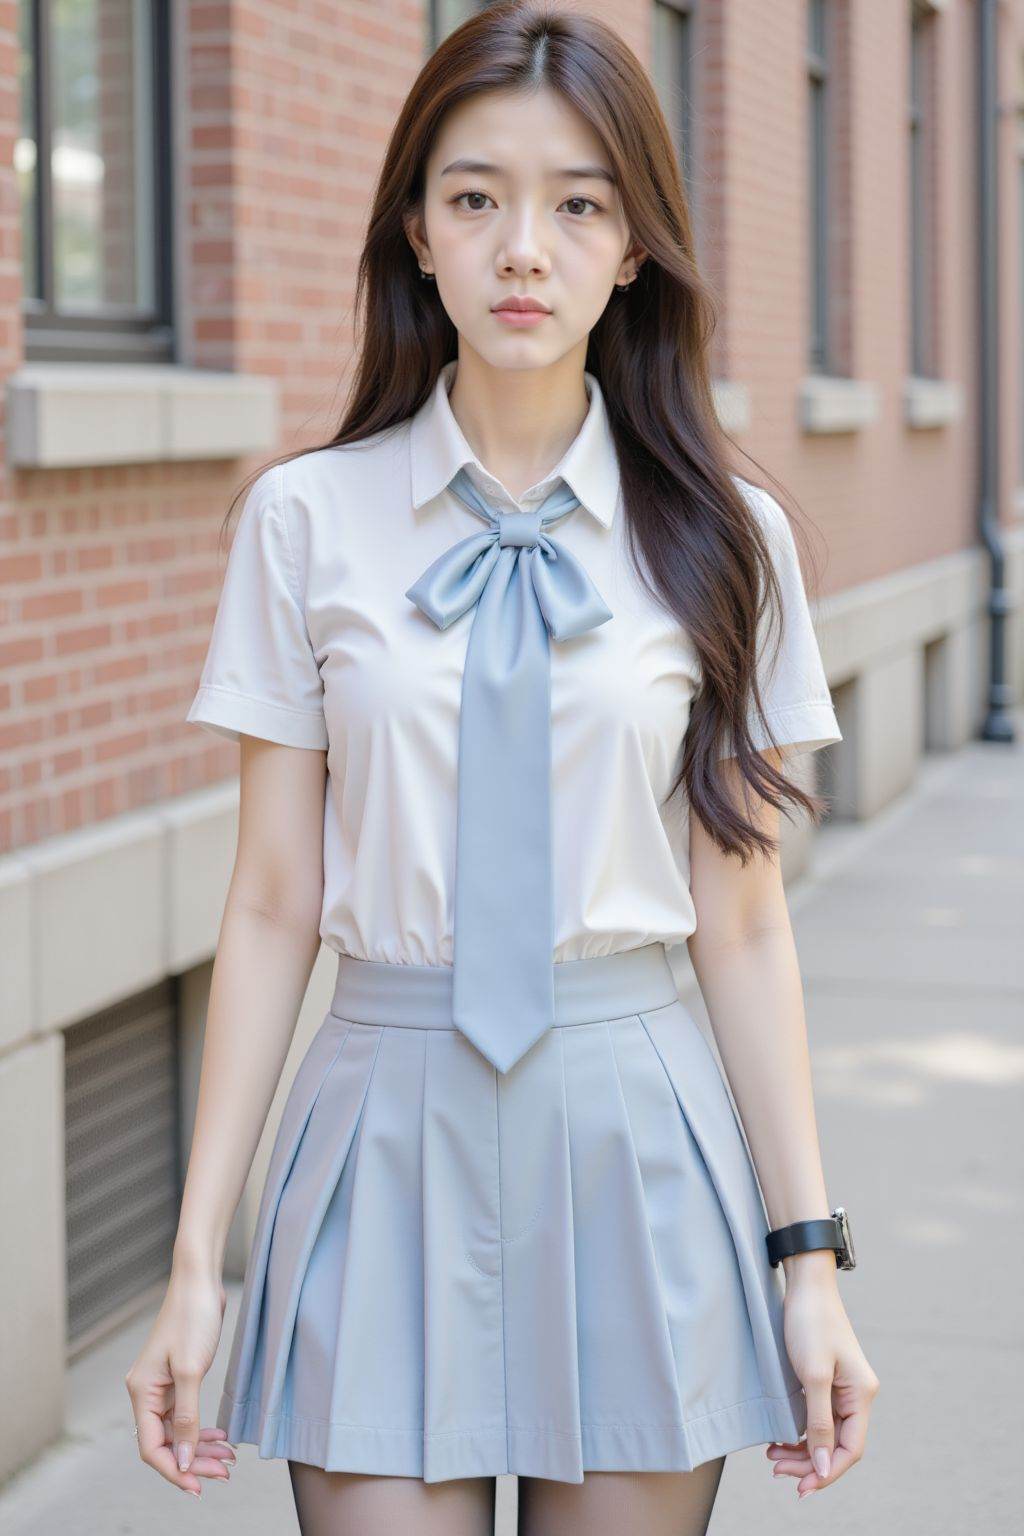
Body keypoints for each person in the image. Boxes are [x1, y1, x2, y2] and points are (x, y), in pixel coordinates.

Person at [124, 3, 880, 1532]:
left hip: (636, 1131)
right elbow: (274, 903)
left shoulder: (733, 542)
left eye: (577, 203)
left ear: (633, 248)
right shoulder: (305, 524)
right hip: (381, 1126)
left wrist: (810, 1263)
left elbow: (741, 919)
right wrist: (197, 1258)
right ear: (415, 232)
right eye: (476, 199)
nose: (523, 248)